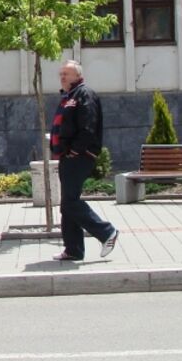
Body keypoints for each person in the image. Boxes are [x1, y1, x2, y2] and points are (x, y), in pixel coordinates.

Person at [51, 59, 119, 261]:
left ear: (78, 76)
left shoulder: (84, 94)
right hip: (67, 156)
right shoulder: (68, 96)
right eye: (61, 74)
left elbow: (88, 126)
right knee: (67, 203)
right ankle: (73, 250)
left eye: (66, 74)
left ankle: (106, 232)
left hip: (79, 156)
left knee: (70, 202)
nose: (62, 77)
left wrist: (75, 150)